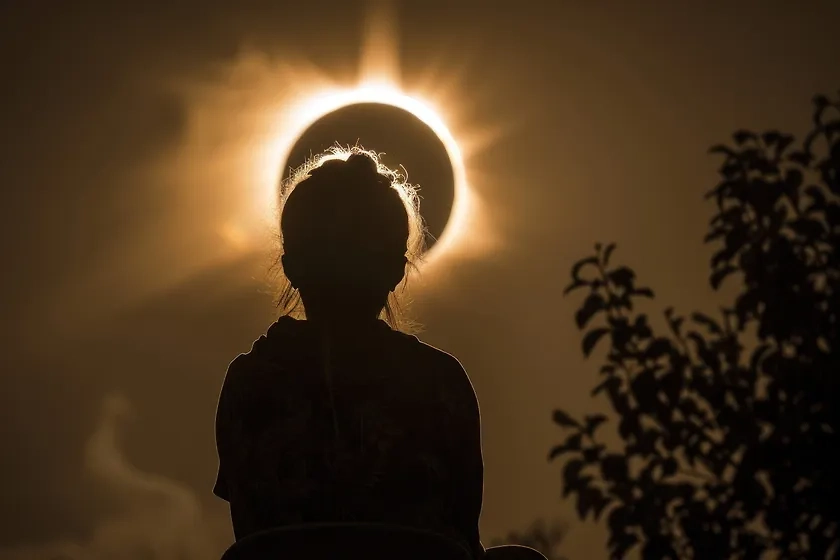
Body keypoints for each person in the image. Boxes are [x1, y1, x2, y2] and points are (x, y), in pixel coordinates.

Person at [213, 148, 486, 558]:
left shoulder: (250, 382)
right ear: (396, 269)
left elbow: (250, 534)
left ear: (292, 266)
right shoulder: (440, 382)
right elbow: (463, 538)